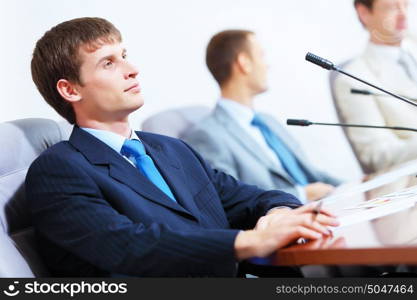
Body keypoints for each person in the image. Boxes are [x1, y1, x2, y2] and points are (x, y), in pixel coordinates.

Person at [26, 17, 338, 277]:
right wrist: (250, 241)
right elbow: (127, 245)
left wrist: (280, 212)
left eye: (124, 55)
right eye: (108, 63)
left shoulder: (173, 149)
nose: (132, 68)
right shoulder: (58, 169)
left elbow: (253, 197)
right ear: (69, 89)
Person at [183, 30, 341, 203]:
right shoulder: (207, 135)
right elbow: (232, 200)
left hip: (326, 206)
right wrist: (301, 194)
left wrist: (358, 185)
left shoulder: (268, 122)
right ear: (244, 63)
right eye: (261, 55)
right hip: (287, 217)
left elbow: (311, 174)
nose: (267, 65)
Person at [333, 0, 417, 173]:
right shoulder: (353, 79)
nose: (403, 14)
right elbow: (376, 155)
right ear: (364, 12)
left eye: (406, 5)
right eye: (392, 7)